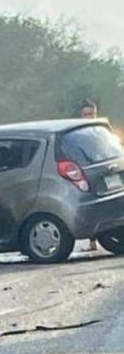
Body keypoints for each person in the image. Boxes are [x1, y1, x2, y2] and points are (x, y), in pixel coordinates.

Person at [80, 99, 99, 251]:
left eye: (91, 114)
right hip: (87, 172)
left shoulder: (102, 130)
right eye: (86, 114)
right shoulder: (78, 133)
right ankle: (92, 243)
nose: (89, 117)